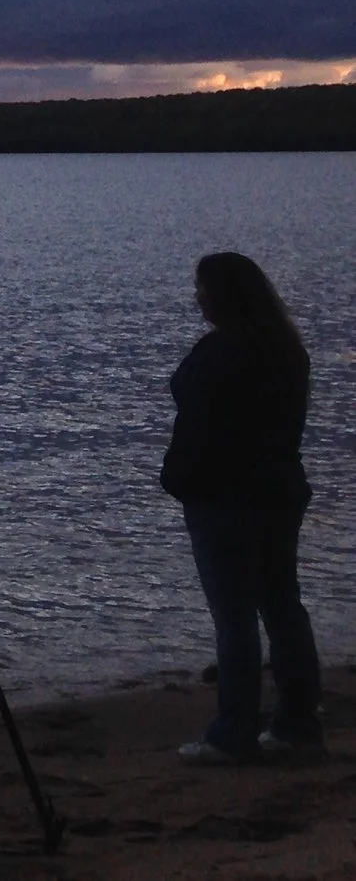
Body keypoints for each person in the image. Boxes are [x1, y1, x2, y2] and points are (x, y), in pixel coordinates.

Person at [162, 251, 325, 762]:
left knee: (234, 615)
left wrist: (180, 480)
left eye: (202, 288)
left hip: (225, 499)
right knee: (282, 606)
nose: (197, 297)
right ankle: (297, 724)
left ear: (223, 294)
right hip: (278, 492)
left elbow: (202, 428)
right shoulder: (286, 350)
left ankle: (233, 733)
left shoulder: (221, 354)